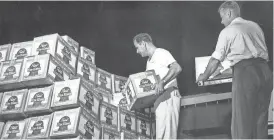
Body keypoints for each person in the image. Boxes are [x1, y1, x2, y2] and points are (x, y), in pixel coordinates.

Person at [197, 1, 273, 139]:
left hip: (246, 74)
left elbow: (216, 59)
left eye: (222, 17)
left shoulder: (228, 31)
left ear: (229, 13)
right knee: (260, 120)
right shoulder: (255, 26)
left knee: (241, 122)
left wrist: (204, 76)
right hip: (265, 72)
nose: (221, 21)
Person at [133, 33, 182, 139]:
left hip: (168, 95)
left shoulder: (160, 53)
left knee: (168, 135)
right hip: (159, 100)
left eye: (137, 48)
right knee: (161, 135)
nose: (137, 51)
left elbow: (177, 68)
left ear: (143, 43)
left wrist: (162, 82)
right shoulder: (149, 62)